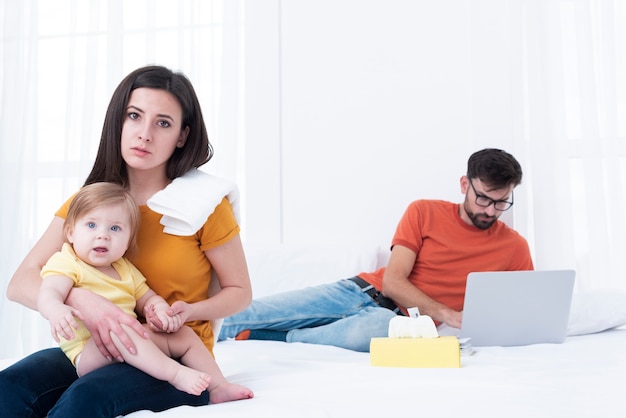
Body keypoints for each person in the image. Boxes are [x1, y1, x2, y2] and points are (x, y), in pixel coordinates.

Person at [1, 65, 253, 417]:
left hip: (172, 353)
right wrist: (82, 300)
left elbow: (240, 291)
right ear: (118, 121)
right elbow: (20, 282)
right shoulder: (90, 205)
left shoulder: (204, 206)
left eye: (163, 123)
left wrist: (190, 312)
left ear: (182, 135)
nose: (144, 134)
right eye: (134, 116)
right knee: (8, 388)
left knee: (85, 400)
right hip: (98, 345)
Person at [219, 148, 534, 352]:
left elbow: (522, 309)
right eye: (484, 199)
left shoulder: (514, 247)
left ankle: (271, 338)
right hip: (359, 291)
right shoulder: (424, 211)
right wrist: (445, 313)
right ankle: (176, 339)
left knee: (378, 329)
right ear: (465, 185)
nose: (491, 211)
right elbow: (395, 281)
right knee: (246, 312)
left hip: (400, 323)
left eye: (501, 202)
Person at [39, 181, 243, 399]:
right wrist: (56, 310)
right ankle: (175, 374)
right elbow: (49, 292)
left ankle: (219, 387)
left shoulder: (125, 269)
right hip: (90, 352)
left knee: (183, 334)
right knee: (119, 328)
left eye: (115, 228)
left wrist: (161, 312)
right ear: (70, 233)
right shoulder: (68, 262)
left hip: (129, 340)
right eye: (91, 225)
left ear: (127, 242)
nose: (103, 235)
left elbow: (148, 300)